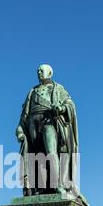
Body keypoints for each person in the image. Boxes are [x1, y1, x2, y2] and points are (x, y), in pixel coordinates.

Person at [16, 64, 79, 197]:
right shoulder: (32, 92)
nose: (39, 72)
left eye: (41, 70)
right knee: (37, 155)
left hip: (49, 121)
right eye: (37, 70)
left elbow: (70, 104)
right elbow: (24, 114)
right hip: (32, 124)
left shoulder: (58, 88)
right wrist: (20, 129)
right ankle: (42, 187)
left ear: (49, 73)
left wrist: (61, 108)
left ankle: (58, 185)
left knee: (51, 152)